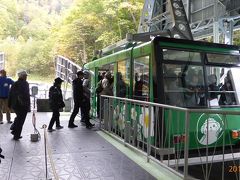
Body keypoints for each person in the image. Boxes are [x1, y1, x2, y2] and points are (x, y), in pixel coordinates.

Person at [8, 70, 30, 140]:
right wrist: (28, 106)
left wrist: (9, 105)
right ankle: (16, 135)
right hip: (22, 106)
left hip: (15, 105)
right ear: (22, 76)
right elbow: (26, 96)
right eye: (25, 76)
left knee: (18, 118)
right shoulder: (25, 84)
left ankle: (14, 130)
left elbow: (10, 94)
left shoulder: (15, 83)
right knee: (21, 120)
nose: (26, 77)